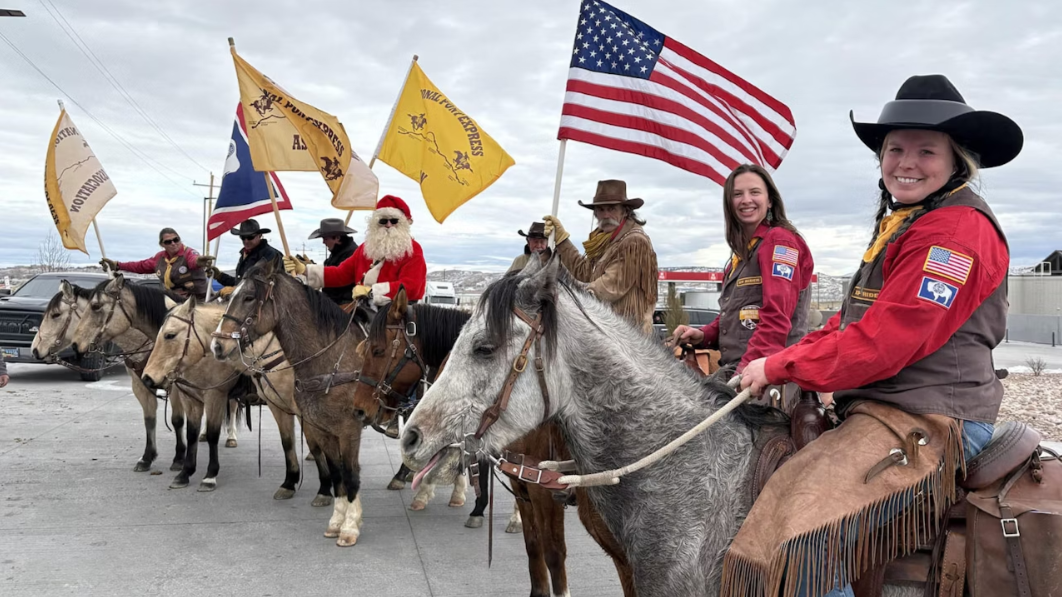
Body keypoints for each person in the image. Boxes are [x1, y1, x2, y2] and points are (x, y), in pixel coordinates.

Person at [728, 75, 1022, 597]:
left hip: (930, 414)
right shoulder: (912, 221)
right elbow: (850, 323)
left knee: (800, 541)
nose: (906, 163)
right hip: (887, 408)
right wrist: (789, 357)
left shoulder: (955, 232)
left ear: (958, 161)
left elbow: (887, 341)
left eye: (925, 150)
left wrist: (777, 367)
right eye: (895, 150)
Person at [668, 164, 814, 409]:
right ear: (729, 204)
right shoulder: (743, 254)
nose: (746, 200)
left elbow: (776, 319)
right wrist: (704, 335)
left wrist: (747, 371)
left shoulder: (780, 242)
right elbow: (739, 315)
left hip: (770, 382)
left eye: (754, 192)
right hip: (741, 372)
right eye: (738, 194)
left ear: (770, 201)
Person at [543, 180, 658, 333]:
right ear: (595, 213)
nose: (606, 215)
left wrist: (563, 298)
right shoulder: (604, 240)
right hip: (608, 331)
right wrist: (562, 240)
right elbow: (584, 272)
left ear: (625, 211)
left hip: (629, 339)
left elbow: (607, 288)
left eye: (611, 209)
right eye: (601, 209)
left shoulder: (634, 242)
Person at [284, 195, 426, 306]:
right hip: (363, 309)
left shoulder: (413, 250)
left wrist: (371, 292)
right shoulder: (365, 249)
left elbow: (412, 287)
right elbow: (340, 274)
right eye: (383, 221)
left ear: (403, 223)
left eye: (394, 221)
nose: (388, 225)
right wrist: (305, 269)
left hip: (394, 314)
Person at [100, 228, 213, 299]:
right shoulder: (159, 258)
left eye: (176, 239)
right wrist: (117, 265)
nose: (173, 243)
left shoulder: (189, 252)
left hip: (199, 298)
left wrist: (199, 262)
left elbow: (193, 261)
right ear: (162, 244)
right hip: (174, 298)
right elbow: (140, 266)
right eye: (168, 242)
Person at [208, 219, 284, 298]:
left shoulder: (272, 255)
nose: (246, 241)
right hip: (243, 304)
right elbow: (240, 282)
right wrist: (219, 276)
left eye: (250, 237)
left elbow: (272, 286)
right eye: (243, 237)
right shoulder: (245, 255)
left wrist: (236, 290)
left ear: (260, 235)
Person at [308, 218, 359, 306]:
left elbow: (338, 278)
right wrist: (311, 266)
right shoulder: (337, 251)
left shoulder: (351, 253)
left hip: (344, 305)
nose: (323, 242)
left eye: (325, 238)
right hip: (332, 302)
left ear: (337, 238)